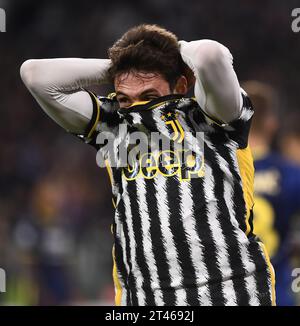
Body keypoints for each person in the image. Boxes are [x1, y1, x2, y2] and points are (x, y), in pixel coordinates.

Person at [20, 24, 275, 306]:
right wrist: (121, 65)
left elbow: (210, 55)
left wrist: (171, 54)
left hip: (229, 296)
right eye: (125, 98)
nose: (138, 109)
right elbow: (34, 75)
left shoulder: (212, 117)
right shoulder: (114, 125)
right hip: (144, 301)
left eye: (151, 97)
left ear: (179, 86)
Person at [244, 80, 300, 306]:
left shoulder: (214, 172)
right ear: (272, 124)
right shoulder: (291, 173)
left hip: (228, 293)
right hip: (277, 292)